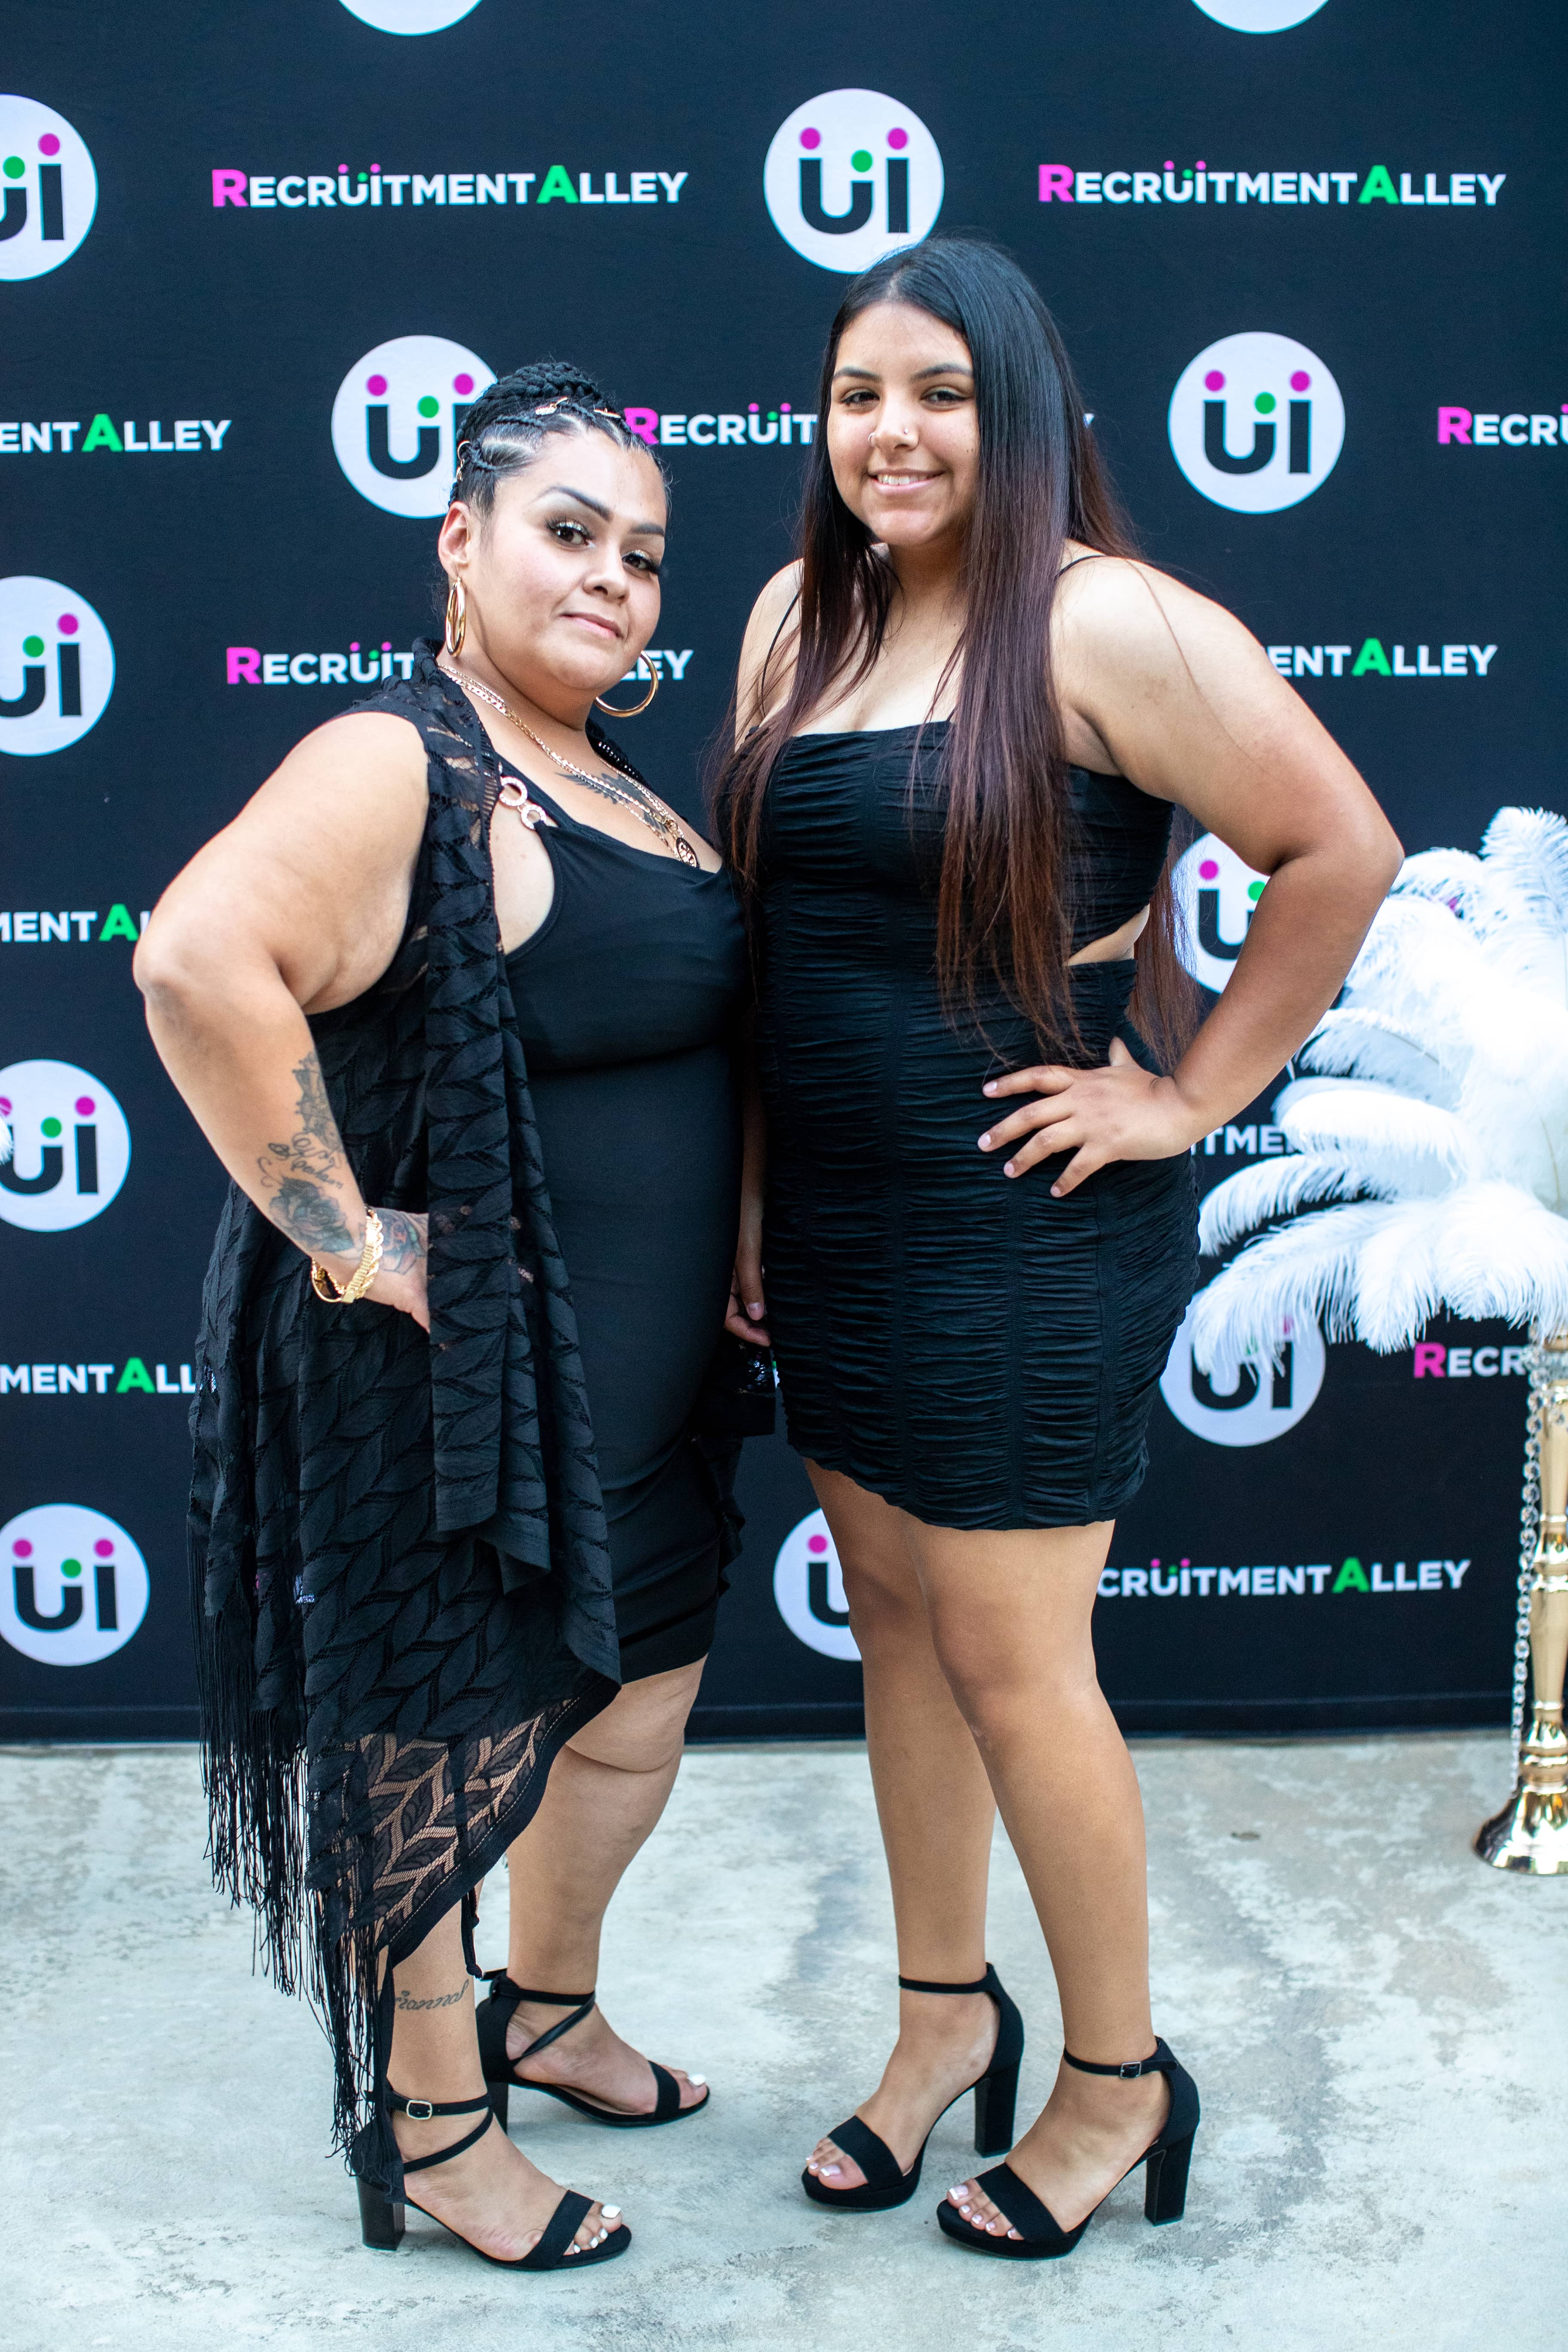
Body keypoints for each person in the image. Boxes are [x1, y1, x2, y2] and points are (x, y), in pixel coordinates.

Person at [719, 236, 1401, 2260]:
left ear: (1014, 411)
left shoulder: (1107, 621)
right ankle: (946, 2023)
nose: (893, 432)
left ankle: (1120, 2081)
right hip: (834, 1221)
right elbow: (776, 947)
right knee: (897, 1630)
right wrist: (755, 1197)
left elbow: (1342, 849)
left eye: (939, 393)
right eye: (859, 394)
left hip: (1022, 1232)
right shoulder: (793, 620)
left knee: (1019, 1666)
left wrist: (1184, 1097)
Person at [135, 362, 754, 2275]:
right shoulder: (401, 757)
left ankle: (546, 2012)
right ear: (463, 542)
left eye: (644, 555)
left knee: (635, 1711)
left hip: (649, 1398)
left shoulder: (613, 783)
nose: (613, 580)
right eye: (569, 534)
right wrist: (348, 1238)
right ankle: (432, 2125)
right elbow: (195, 958)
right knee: (432, 1744)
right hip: (463, 1398)